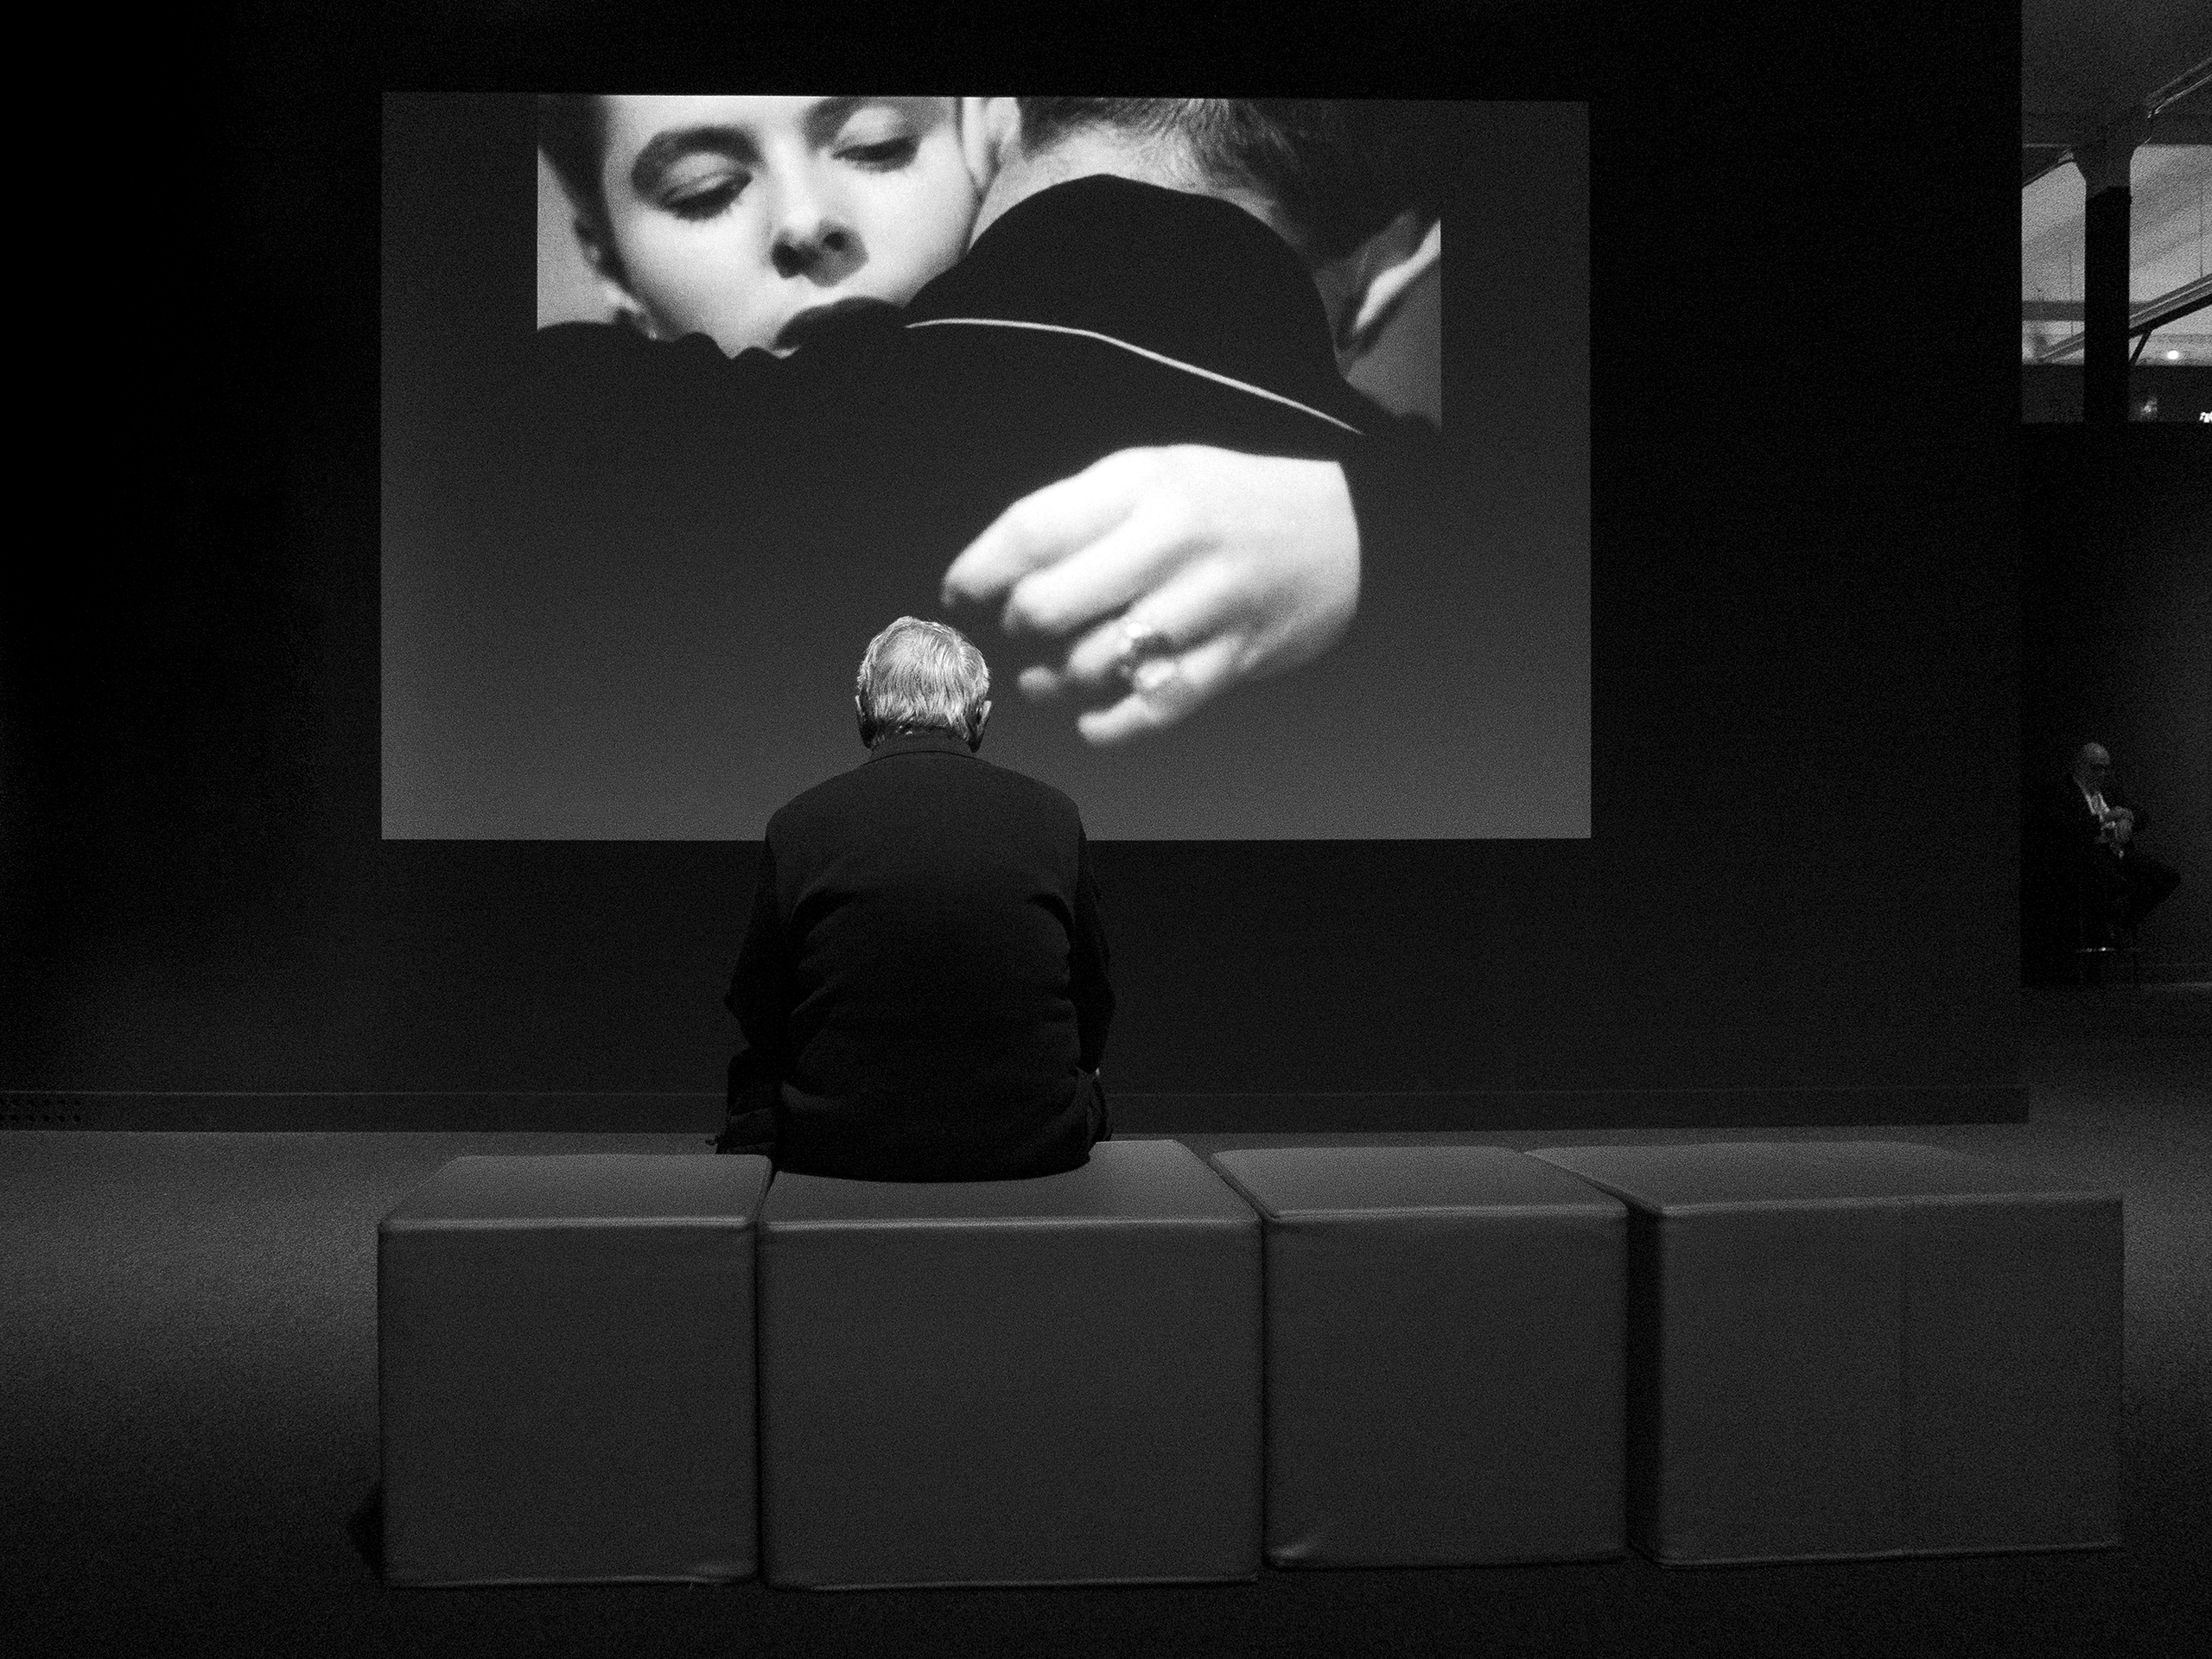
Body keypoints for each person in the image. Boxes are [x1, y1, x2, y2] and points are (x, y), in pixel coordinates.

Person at [406, 97, 1449, 837]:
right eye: (705, 188)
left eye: (873, 144)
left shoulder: (519, 490)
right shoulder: (1482, 556)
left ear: (982, 127)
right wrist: (1401, 520)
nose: (808, 224)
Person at [717, 617, 1112, 1179]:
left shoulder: (799, 822)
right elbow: (1093, 995)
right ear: (981, 717)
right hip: (1035, 1142)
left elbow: (756, 1000)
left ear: (862, 710)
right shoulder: (1054, 814)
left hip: (836, 1143)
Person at [2034, 742, 2183, 950]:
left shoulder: (2109, 788)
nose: (2102, 773)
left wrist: (2127, 819)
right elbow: (2061, 829)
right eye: (2096, 767)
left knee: (2167, 877)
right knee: (2110, 883)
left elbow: (2140, 813)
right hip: (2086, 856)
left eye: (2105, 767)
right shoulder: (2062, 790)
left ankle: (2120, 923)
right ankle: (2107, 926)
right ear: (2080, 765)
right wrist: (2104, 819)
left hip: (2117, 853)